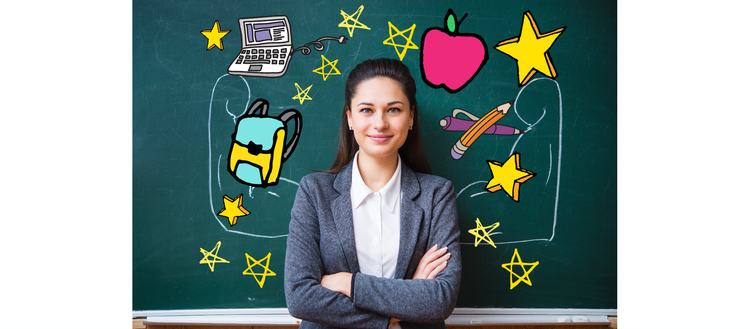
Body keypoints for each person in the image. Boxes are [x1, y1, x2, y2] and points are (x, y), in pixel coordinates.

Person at [284, 58, 461, 329]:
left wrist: (348, 283)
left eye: (393, 110)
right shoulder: (314, 192)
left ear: (411, 117)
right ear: (350, 118)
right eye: (366, 110)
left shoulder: (437, 194)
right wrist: (398, 307)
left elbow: (440, 300)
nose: (380, 123)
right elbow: (300, 298)